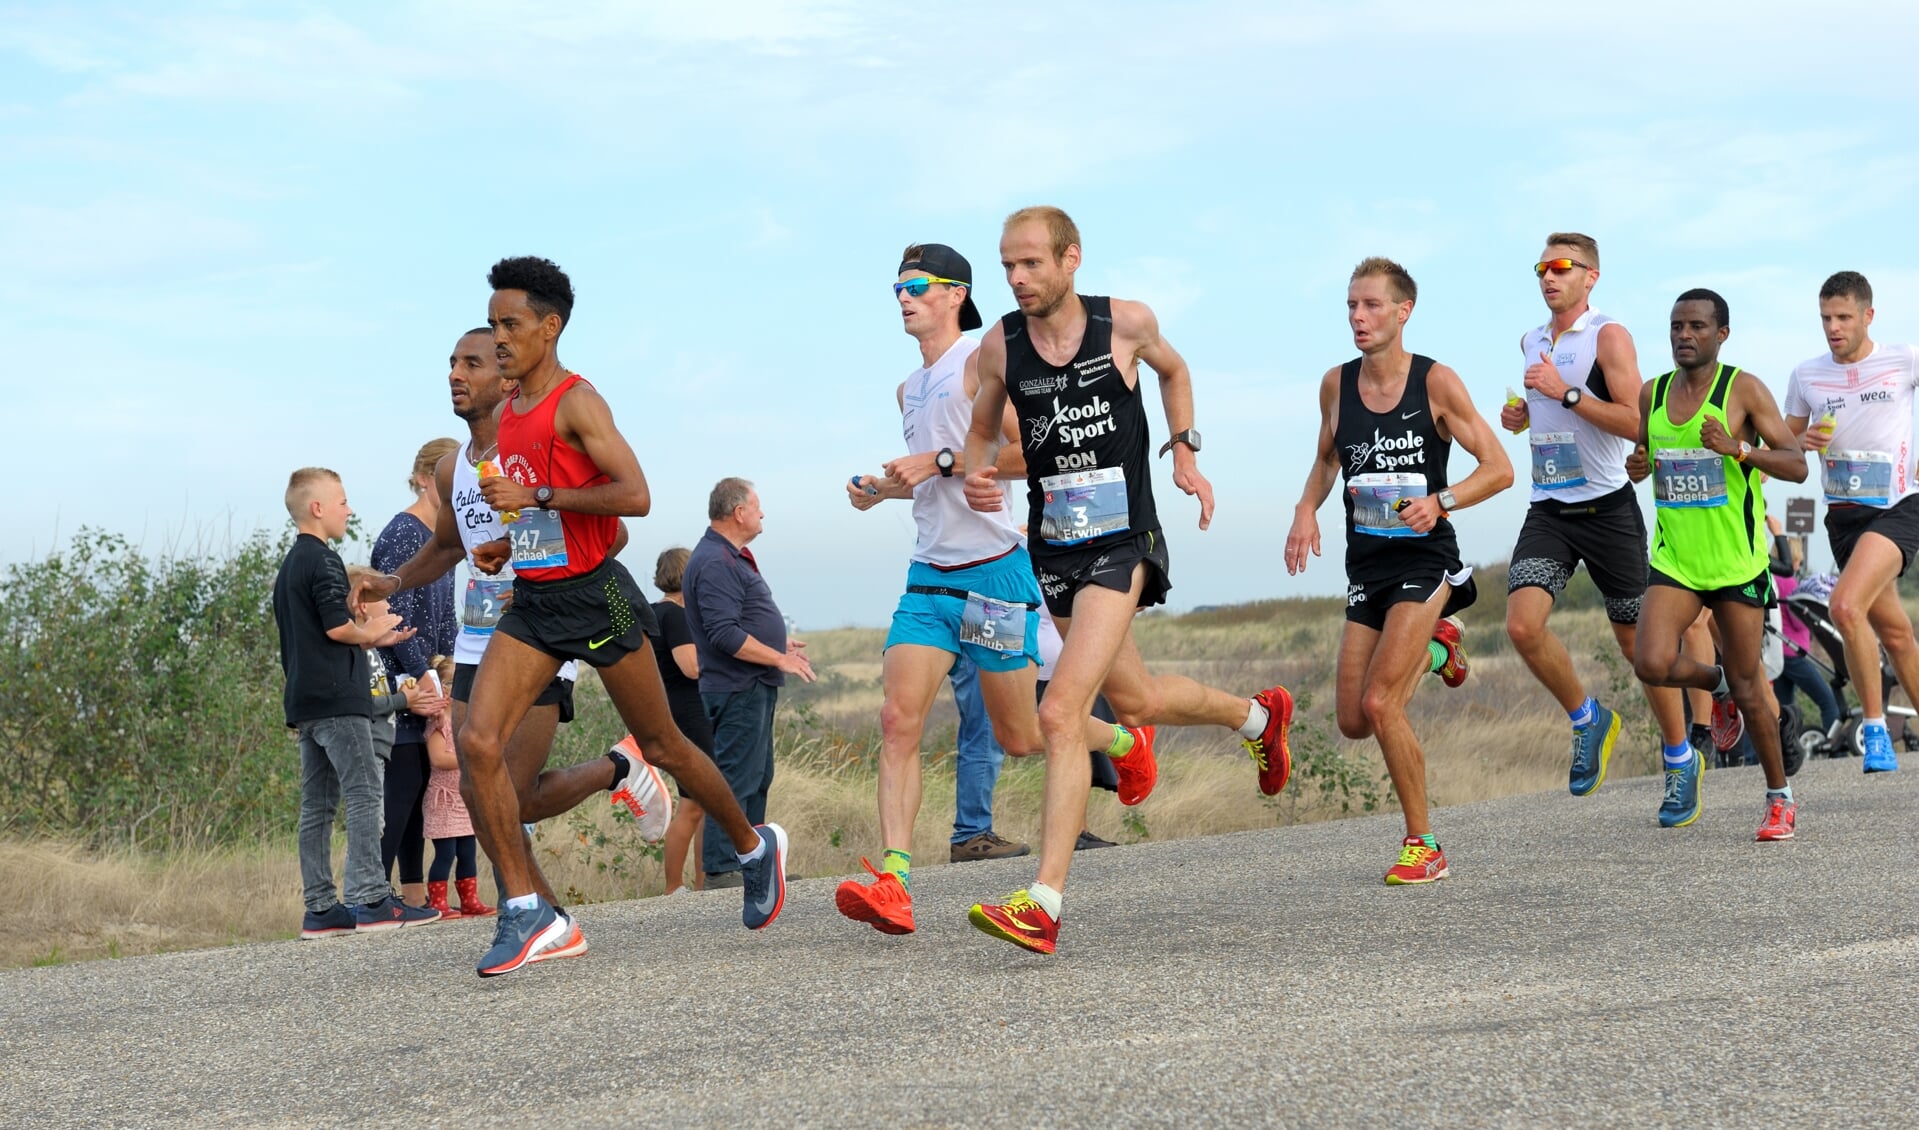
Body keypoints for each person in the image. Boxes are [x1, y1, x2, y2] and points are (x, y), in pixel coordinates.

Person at [356, 259, 788, 977]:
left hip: (600, 596)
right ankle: (528, 912)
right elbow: (513, 528)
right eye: (492, 327)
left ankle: (751, 846)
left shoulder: (574, 402)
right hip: (534, 602)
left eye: (509, 327)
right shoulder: (514, 412)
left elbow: (635, 497)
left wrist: (541, 500)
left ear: (548, 327)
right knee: (479, 745)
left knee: (667, 742)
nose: (499, 341)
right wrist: (500, 543)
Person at [959, 206, 1295, 954]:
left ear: (1070, 259)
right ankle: (1256, 719)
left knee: (1058, 714)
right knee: (1137, 699)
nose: (1016, 279)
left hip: (1124, 542)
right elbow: (981, 428)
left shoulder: (1125, 324)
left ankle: (1043, 900)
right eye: (1007, 266)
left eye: (1031, 264)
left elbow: (1174, 371)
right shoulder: (1000, 348)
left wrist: (1183, 450)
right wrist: (980, 475)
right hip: (1055, 547)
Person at [836, 242, 1157, 937]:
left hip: (995, 576)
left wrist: (943, 462)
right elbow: (934, 478)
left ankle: (1127, 745)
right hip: (930, 575)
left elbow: (1028, 452)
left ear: (956, 293)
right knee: (898, 720)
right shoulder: (907, 388)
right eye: (896, 287)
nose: (903, 297)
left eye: (916, 286)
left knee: (1020, 736)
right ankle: (893, 880)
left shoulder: (982, 363)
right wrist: (882, 491)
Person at [371, 326, 654, 948]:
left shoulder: (534, 448)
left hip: (542, 626)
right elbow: (447, 547)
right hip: (479, 639)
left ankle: (620, 768)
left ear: (506, 377)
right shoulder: (452, 469)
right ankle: (544, 918)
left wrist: (526, 547)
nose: (454, 374)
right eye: (450, 363)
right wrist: (386, 584)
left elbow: (616, 533)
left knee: (511, 796)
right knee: (480, 789)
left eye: (470, 363)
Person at [1285, 257, 1511, 883]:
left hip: (1425, 558)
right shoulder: (1335, 384)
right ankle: (1441, 651)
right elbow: (1327, 460)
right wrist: (1306, 509)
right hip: (1368, 564)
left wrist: (1443, 500)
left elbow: (1499, 468)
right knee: (1354, 720)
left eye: (1373, 306)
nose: (1359, 317)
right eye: (1352, 307)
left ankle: (1425, 845)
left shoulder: (1435, 383)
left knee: (1384, 701)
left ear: (1404, 311)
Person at [1499, 233, 1703, 799]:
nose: (1548, 276)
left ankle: (1680, 756)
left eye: (1562, 267)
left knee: (1639, 650)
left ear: (1590, 276)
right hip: (1550, 509)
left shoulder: (1607, 336)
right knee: (1521, 624)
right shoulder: (1531, 339)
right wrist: (1522, 415)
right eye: (1541, 267)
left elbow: (1639, 424)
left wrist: (1565, 395)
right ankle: (1589, 717)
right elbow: (1549, 413)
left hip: (1608, 508)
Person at [1625, 288, 1808, 838]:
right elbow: (1647, 456)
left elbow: (1797, 466)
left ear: (1721, 334)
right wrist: (1639, 465)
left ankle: (1780, 798)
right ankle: (1718, 684)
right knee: (1651, 662)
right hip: (1677, 559)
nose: (1685, 335)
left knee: (1754, 689)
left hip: (1735, 563)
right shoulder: (1651, 394)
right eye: (1677, 326)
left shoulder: (1743, 389)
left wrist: (1740, 450)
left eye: (1697, 326)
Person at [275, 468, 439, 938]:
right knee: (367, 795)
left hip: (305, 701)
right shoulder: (324, 561)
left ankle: (322, 909)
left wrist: (369, 639)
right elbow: (335, 627)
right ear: (317, 508)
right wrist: (370, 633)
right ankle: (370, 899)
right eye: (342, 501)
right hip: (339, 702)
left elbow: (316, 638)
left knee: (318, 807)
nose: (349, 509)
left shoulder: (290, 566)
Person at [1782, 270, 1919, 773]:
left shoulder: (1903, 358)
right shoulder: (1807, 375)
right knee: (1898, 634)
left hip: (1898, 508)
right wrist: (1802, 443)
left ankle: (1877, 731)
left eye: (1843, 317)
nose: (1833, 327)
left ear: (1868, 315)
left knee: (1843, 606)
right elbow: (1785, 445)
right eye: (1825, 318)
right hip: (1843, 519)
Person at [682, 477, 814, 889]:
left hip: (747, 684)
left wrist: (778, 640)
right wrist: (779, 657)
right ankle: (724, 868)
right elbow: (723, 633)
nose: (762, 514)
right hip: (738, 686)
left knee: (756, 777)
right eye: (757, 507)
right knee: (738, 778)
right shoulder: (717, 561)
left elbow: (733, 623)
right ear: (738, 512)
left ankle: (751, 861)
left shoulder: (724, 556)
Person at [372, 436, 461, 911]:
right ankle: (373, 892)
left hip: (430, 677)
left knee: (421, 790)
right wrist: (425, 678)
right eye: (446, 479)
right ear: (426, 478)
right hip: (400, 682)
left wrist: (448, 667)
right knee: (399, 790)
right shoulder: (403, 534)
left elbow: (446, 614)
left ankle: (411, 894)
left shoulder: (444, 536)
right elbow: (396, 614)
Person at [649, 546, 710, 894]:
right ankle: (681, 886)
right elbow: (692, 667)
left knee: (698, 802)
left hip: (671, 709)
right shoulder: (675, 616)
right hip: (690, 712)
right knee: (696, 802)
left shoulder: (655, 612)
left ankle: (693, 883)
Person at [419, 653, 495, 919]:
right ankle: (438, 901)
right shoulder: (437, 724)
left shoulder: (465, 722)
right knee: (446, 853)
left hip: (464, 799)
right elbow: (439, 758)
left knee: (468, 851)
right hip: (444, 801)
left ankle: (469, 900)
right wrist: (466, 758)